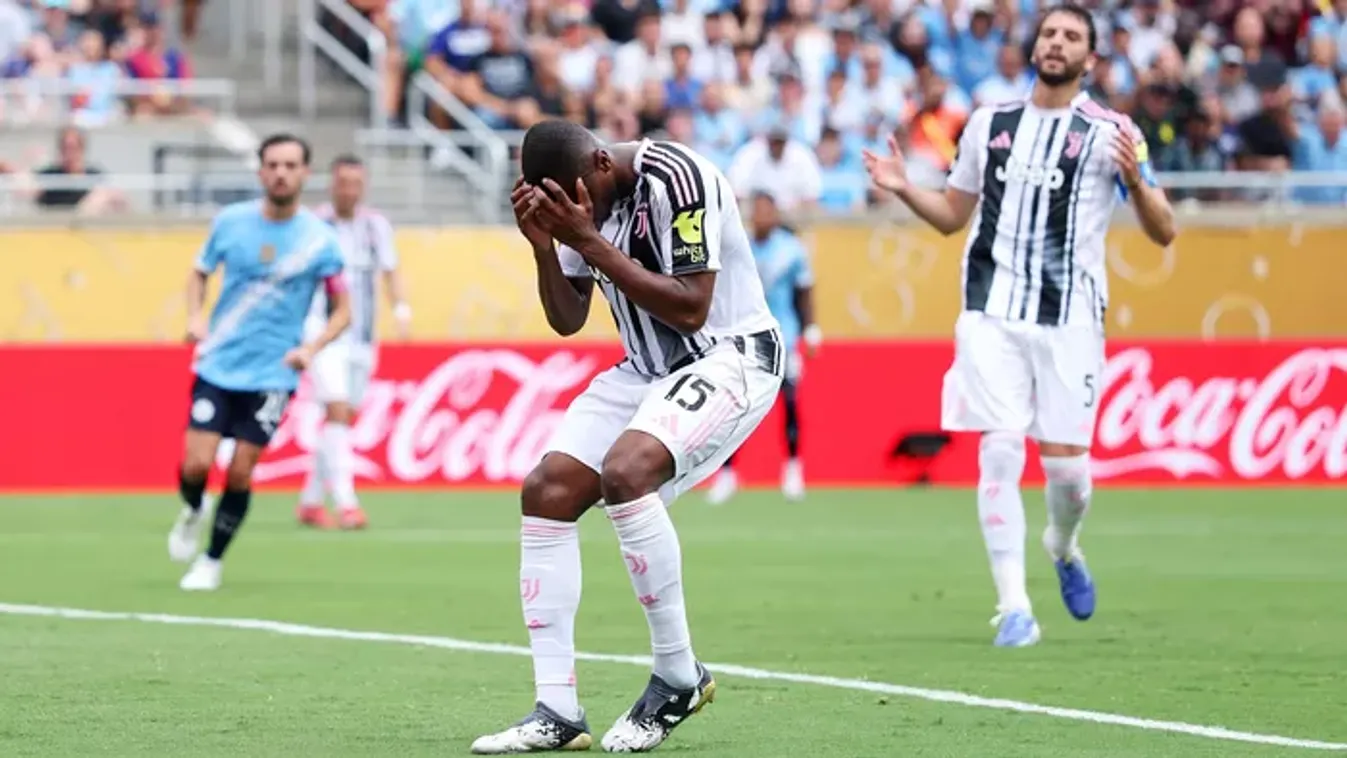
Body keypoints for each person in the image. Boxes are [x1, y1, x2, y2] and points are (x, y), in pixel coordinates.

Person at [863, 4, 1176, 648]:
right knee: (1001, 447)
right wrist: (902, 186)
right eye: (1050, 33)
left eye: (1072, 37)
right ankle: (1014, 608)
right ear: (1034, 49)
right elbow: (954, 216)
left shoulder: (1113, 132)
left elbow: (1164, 229)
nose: (1057, 43)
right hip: (991, 309)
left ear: (1090, 59)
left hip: (1070, 317)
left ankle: (1062, 546)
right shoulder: (988, 123)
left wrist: (1136, 182)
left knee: (1068, 476)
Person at [470, 120, 783, 754]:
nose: (575, 210)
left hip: (729, 357)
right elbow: (568, 319)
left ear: (601, 164)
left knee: (626, 472)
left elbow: (691, 307)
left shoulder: (680, 179)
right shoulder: (575, 198)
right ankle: (557, 709)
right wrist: (544, 246)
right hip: (645, 370)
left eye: (578, 199)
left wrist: (586, 239)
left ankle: (679, 676)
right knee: (547, 490)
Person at [167, 134, 350, 592]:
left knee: (241, 470)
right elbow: (199, 272)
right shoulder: (231, 222)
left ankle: (211, 561)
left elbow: (343, 310)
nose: (281, 173)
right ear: (260, 171)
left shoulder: (321, 241)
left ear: (305, 173)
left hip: (273, 374)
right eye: (273, 165)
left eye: (290, 165)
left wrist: (312, 348)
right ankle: (193, 508)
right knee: (196, 465)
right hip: (219, 364)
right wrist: (194, 316)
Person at [296, 154, 411, 530]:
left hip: (363, 335)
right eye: (343, 182)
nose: (349, 190)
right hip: (323, 331)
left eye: (356, 183)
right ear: (332, 185)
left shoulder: (376, 226)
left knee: (342, 417)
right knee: (337, 408)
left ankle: (310, 501)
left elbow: (391, 270)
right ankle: (347, 504)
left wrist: (401, 309)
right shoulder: (314, 225)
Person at [705, 191, 819, 504]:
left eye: (766, 210)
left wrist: (811, 329)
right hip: (744, 338)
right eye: (756, 211)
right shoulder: (738, 244)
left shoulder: (792, 249)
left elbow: (804, 291)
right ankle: (727, 473)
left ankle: (793, 469)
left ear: (776, 214)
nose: (760, 216)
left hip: (784, 335)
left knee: (789, 402)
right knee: (733, 406)